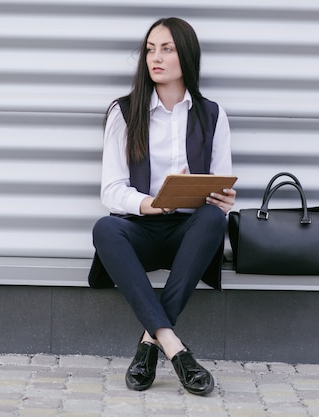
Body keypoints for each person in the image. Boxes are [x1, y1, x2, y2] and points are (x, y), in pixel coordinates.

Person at [87, 17, 235, 396]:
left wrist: (222, 198)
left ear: (186, 55)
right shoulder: (124, 112)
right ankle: (174, 347)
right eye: (151, 49)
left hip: (189, 235)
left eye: (167, 49)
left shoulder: (212, 115)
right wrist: (149, 204)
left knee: (212, 218)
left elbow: (221, 181)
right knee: (105, 228)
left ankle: (149, 345)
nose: (156, 57)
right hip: (142, 230)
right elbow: (112, 190)